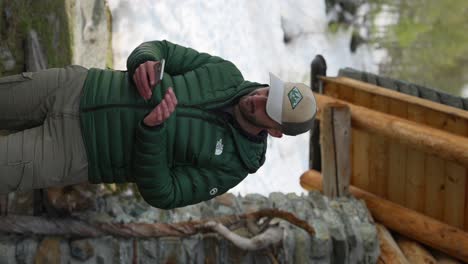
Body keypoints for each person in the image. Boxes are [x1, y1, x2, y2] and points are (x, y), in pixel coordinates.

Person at [0, 40, 317, 209]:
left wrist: (152, 133)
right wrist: (144, 61)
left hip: (76, 151)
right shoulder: (226, 74)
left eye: (269, 108)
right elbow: (158, 48)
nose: (258, 98)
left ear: (275, 131)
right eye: (268, 91)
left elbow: (165, 195)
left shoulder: (232, 166)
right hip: (77, 86)